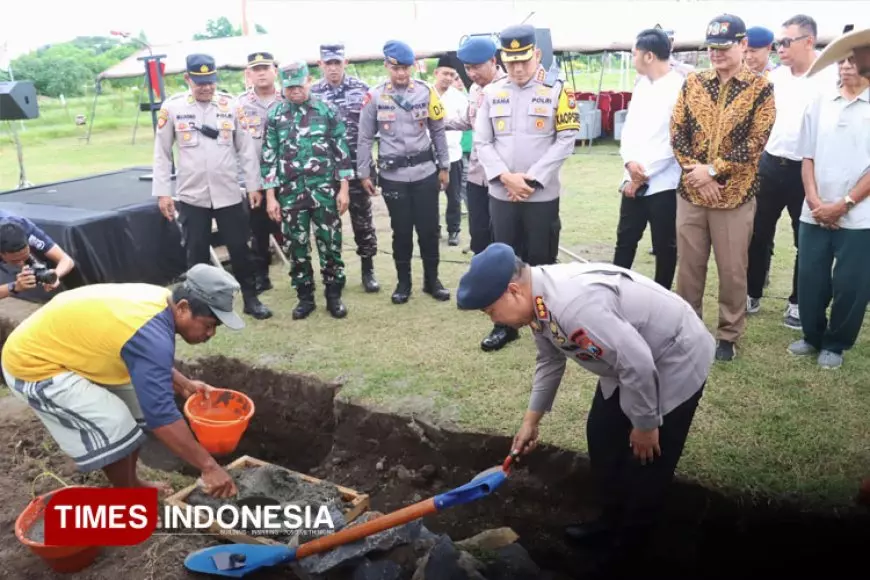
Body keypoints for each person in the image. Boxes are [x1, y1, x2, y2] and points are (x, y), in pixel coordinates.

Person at [455, 242, 714, 573]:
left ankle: (628, 553)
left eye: (491, 311)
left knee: (646, 464)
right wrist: (530, 421)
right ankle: (610, 523)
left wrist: (646, 425)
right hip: (629, 362)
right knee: (603, 436)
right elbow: (550, 359)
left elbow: (639, 363)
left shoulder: (573, 305)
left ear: (513, 290)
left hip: (673, 357)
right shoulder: (538, 301)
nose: (494, 319)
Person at [0, 264, 241, 498]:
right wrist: (209, 466)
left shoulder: (161, 301)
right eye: (208, 325)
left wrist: (183, 383)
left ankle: (131, 484)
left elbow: (144, 355)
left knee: (136, 409)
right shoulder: (152, 331)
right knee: (115, 422)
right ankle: (126, 493)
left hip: (67, 349)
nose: (210, 334)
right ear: (183, 307)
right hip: (34, 364)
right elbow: (162, 415)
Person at [670, 14, 775, 362]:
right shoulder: (693, 83)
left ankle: (728, 334)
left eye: (723, 47)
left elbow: (756, 141)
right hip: (692, 194)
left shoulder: (761, 88)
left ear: (743, 45)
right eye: (711, 48)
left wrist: (714, 172)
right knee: (689, 268)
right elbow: (677, 131)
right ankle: (688, 329)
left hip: (734, 198)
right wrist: (695, 172)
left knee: (732, 270)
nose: (715, 54)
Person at [474, 24, 580, 352]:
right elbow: (482, 140)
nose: (518, 68)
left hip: (541, 194)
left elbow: (566, 138)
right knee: (503, 258)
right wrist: (506, 177)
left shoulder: (557, 90)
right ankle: (504, 325)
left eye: (524, 61)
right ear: (502, 59)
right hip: (502, 193)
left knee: (542, 258)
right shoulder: (492, 93)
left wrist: (531, 179)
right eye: (511, 62)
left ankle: (546, 324)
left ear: (536, 54)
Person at [152, 53, 272, 321]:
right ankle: (197, 307)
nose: (206, 87)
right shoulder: (172, 108)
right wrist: (162, 192)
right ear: (187, 79)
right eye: (199, 82)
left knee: (240, 249)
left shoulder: (231, 106)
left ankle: (251, 299)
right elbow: (161, 153)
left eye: (210, 82)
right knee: (196, 254)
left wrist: (254, 186)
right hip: (193, 196)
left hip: (228, 193)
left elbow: (246, 149)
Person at [746, 15, 836, 330]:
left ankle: (798, 301)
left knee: (806, 240)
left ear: (808, 41)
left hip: (807, 171)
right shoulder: (775, 79)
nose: (780, 48)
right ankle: (752, 291)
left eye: (787, 42)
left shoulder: (829, 79)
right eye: (778, 43)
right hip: (770, 165)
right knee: (757, 233)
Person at [788, 55, 870, 369]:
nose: (846, 66)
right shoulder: (820, 102)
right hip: (815, 211)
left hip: (859, 217)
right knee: (810, 278)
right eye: (842, 60)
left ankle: (836, 343)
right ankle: (812, 336)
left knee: (852, 284)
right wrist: (814, 200)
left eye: (854, 60)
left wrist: (843, 204)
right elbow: (807, 156)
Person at [357, 40, 451, 305]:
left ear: (413, 67)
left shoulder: (427, 92)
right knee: (401, 231)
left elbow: (438, 130)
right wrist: (364, 172)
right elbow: (364, 137)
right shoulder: (374, 96)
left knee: (430, 229)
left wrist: (444, 166)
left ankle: (432, 281)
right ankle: (403, 283)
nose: (401, 74)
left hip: (424, 173)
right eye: (396, 68)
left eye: (406, 68)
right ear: (387, 66)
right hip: (393, 176)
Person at [261, 60, 352, 320]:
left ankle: (334, 297)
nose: (294, 92)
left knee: (330, 246)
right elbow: (269, 156)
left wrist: (343, 189)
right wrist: (270, 196)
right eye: (289, 88)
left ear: (309, 80)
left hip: (324, 193)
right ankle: (305, 297)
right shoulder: (275, 115)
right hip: (290, 195)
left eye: (299, 86)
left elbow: (342, 153)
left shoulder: (326, 110)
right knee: (296, 248)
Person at [612, 28, 683, 290]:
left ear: (649, 56)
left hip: (663, 183)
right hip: (632, 178)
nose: (632, 59)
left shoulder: (679, 87)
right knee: (625, 239)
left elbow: (674, 141)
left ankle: (662, 294)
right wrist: (630, 164)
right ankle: (614, 289)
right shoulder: (641, 86)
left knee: (665, 244)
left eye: (634, 54)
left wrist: (644, 174)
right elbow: (629, 129)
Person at [310, 43, 380, 293]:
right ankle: (333, 273)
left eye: (337, 63)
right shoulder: (312, 94)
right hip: (326, 172)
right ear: (320, 64)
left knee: (363, 221)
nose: (333, 68)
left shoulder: (362, 91)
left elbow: (371, 132)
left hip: (356, 168)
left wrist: (366, 171)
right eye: (327, 63)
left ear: (345, 63)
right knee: (328, 223)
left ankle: (368, 270)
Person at [447, 35, 507, 259]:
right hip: (476, 176)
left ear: (493, 61)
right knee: (479, 235)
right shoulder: (474, 89)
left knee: (503, 236)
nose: (472, 74)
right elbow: (467, 120)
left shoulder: (510, 88)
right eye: (467, 68)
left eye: (477, 67)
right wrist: (436, 120)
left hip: (502, 177)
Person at [236, 52, 282, 294]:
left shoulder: (289, 98)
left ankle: (301, 272)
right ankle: (262, 275)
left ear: (275, 70)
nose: (261, 73)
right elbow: (234, 144)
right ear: (249, 74)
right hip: (256, 179)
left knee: (294, 228)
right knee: (258, 230)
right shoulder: (239, 104)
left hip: (287, 176)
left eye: (266, 67)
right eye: (256, 69)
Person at [432, 55, 467, 247]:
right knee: (429, 197)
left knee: (453, 197)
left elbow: (466, 123)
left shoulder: (459, 98)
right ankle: (433, 229)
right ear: (436, 73)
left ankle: (453, 230)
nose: (447, 78)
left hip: (453, 155)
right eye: (445, 73)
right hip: (430, 156)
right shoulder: (425, 94)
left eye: (452, 75)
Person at [0, 213, 75, 299]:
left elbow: (66, 260)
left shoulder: (26, 228)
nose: (21, 264)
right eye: (15, 260)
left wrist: (55, 275)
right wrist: (14, 287)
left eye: (24, 256)